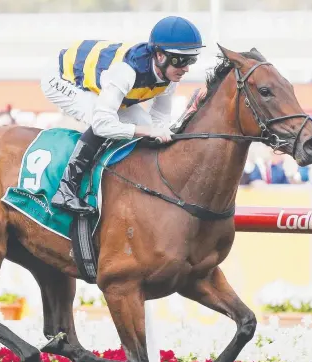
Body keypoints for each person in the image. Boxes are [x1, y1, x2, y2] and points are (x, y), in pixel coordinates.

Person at [41, 16, 204, 215]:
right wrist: (145, 131)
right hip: (61, 77)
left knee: (145, 127)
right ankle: (65, 190)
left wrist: (156, 132)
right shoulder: (126, 71)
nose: (186, 68)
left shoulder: (170, 76)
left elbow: (159, 123)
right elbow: (102, 125)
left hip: (102, 83)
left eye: (192, 60)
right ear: (160, 56)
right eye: (182, 60)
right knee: (100, 118)